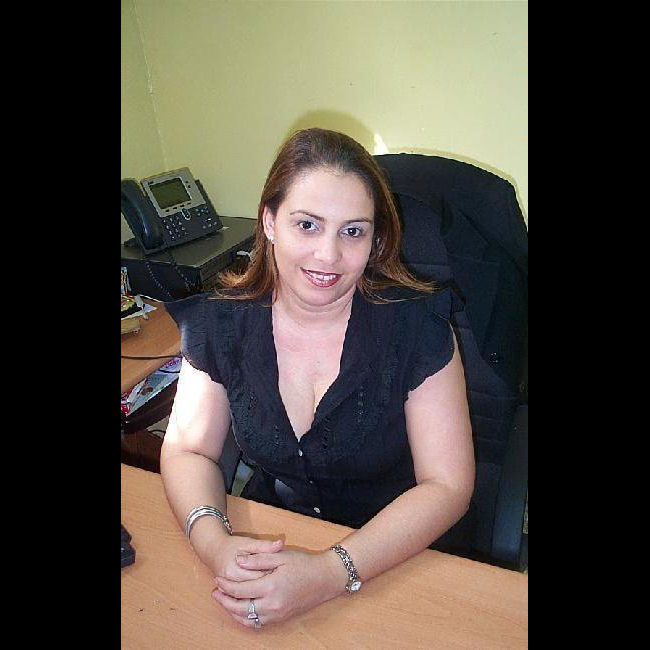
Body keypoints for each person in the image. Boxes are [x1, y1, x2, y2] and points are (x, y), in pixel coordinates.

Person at [161, 128, 474, 629]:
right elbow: (188, 450)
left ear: (375, 239)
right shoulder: (221, 323)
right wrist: (215, 544)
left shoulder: (417, 326)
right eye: (307, 225)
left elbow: (447, 484)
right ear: (269, 222)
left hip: (397, 558)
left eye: (353, 231)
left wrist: (331, 573)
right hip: (276, 538)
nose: (328, 256)